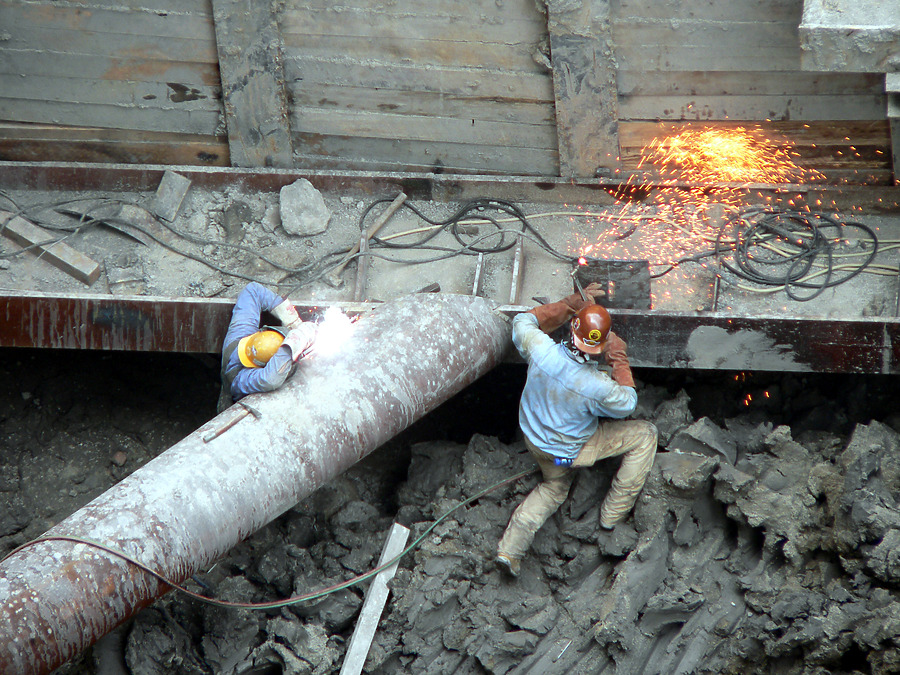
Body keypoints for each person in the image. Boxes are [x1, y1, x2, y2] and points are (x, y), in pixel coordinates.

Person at [495, 284, 658, 577]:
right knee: (645, 434)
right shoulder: (597, 387)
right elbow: (628, 404)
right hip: (566, 455)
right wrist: (619, 359)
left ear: (573, 327)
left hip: (534, 441)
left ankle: (509, 551)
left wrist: (572, 303)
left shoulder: (541, 350)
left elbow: (523, 321)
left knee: (550, 486)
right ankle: (612, 517)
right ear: (601, 345)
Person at [217, 282, 318, 411]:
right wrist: (292, 344)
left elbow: (252, 290)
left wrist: (294, 322)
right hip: (234, 408)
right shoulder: (242, 380)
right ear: (267, 363)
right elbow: (270, 379)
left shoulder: (240, 334)